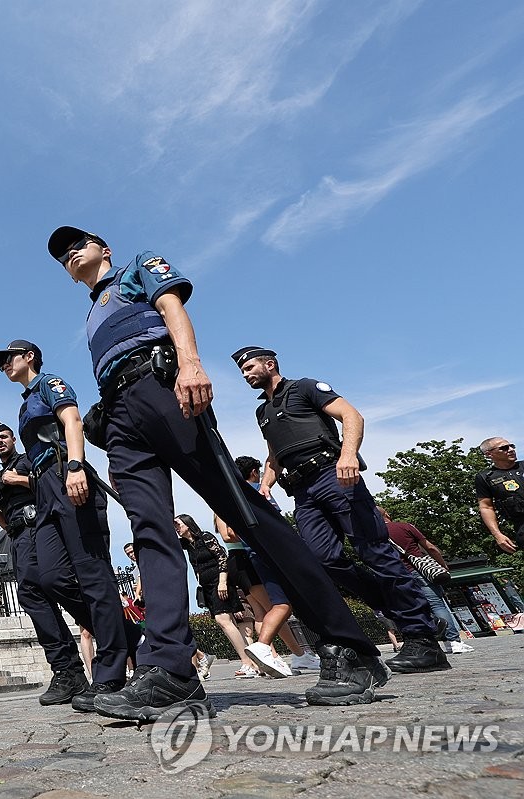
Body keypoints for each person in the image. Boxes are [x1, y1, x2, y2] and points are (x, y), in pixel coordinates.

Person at [46, 225, 388, 720]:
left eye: (78, 242)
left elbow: (171, 309)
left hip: (162, 386)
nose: (70, 253)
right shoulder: (92, 313)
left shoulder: (134, 268)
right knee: (149, 531)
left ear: (105, 247)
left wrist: (190, 364)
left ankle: (347, 644)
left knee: (242, 511)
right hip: (119, 415)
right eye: (61, 255)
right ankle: (172, 670)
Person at [232, 346, 448, 675]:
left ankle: (422, 638)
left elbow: (352, 416)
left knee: (375, 552)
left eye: (249, 367)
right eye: (242, 371)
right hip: (303, 491)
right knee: (321, 560)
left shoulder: (304, 388)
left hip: (334, 476)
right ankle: (398, 607)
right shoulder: (263, 412)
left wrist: (348, 455)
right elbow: (274, 454)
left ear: (270, 363)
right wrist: (265, 486)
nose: (246, 374)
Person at [0, 340, 135, 712]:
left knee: (91, 571)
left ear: (29, 357)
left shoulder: (49, 384)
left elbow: (72, 420)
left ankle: (111, 671)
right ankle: (125, 636)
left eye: (9, 358)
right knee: (50, 576)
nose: (5, 365)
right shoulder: (24, 403)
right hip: (44, 489)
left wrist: (74, 466)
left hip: (63, 473)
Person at [0, 418, 90, 704]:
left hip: (36, 527)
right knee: (34, 597)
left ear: (12, 440)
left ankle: (91, 642)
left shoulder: (27, 460)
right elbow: (3, 521)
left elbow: (46, 485)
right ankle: (68, 671)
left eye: (3, 437)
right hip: (17, 535)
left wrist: (16, 480)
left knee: (45, 588)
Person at [216, 456, 320, 677]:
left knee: (265, 611)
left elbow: (229, 533)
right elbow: (273, 521)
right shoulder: (257, 492)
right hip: (262, 554)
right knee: (281, 605)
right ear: (254, 472)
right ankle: (276, 652)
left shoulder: (230, 497)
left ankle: (280, 655)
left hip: (247, 557)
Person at [174, 515, 260, 679]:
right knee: (228, 623)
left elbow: (222, 557)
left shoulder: (205, 537)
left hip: (219, 582)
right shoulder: (186, 544)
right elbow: (167, 540)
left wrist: (222, 582)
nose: (176, 527)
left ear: (188, 523)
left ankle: (247, 663)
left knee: (223, 621)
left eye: (178, 524)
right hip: (206, 587)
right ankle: (251, 663)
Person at [378, 507, 472, 654]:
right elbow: (430, 547)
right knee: (437, 605)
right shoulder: (404, 526)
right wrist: (442, 565)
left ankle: (429, 642)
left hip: (399, 576)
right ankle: (453, 642)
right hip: (419, 571)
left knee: (416, 609)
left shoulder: (376, 535)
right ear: (387, 514)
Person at [475, 438, 524, 554]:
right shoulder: (485, 477)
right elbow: (486, 507)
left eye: (512, 446)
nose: (511, 450)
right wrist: (497, 535)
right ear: (489, 454)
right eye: (504, 448)